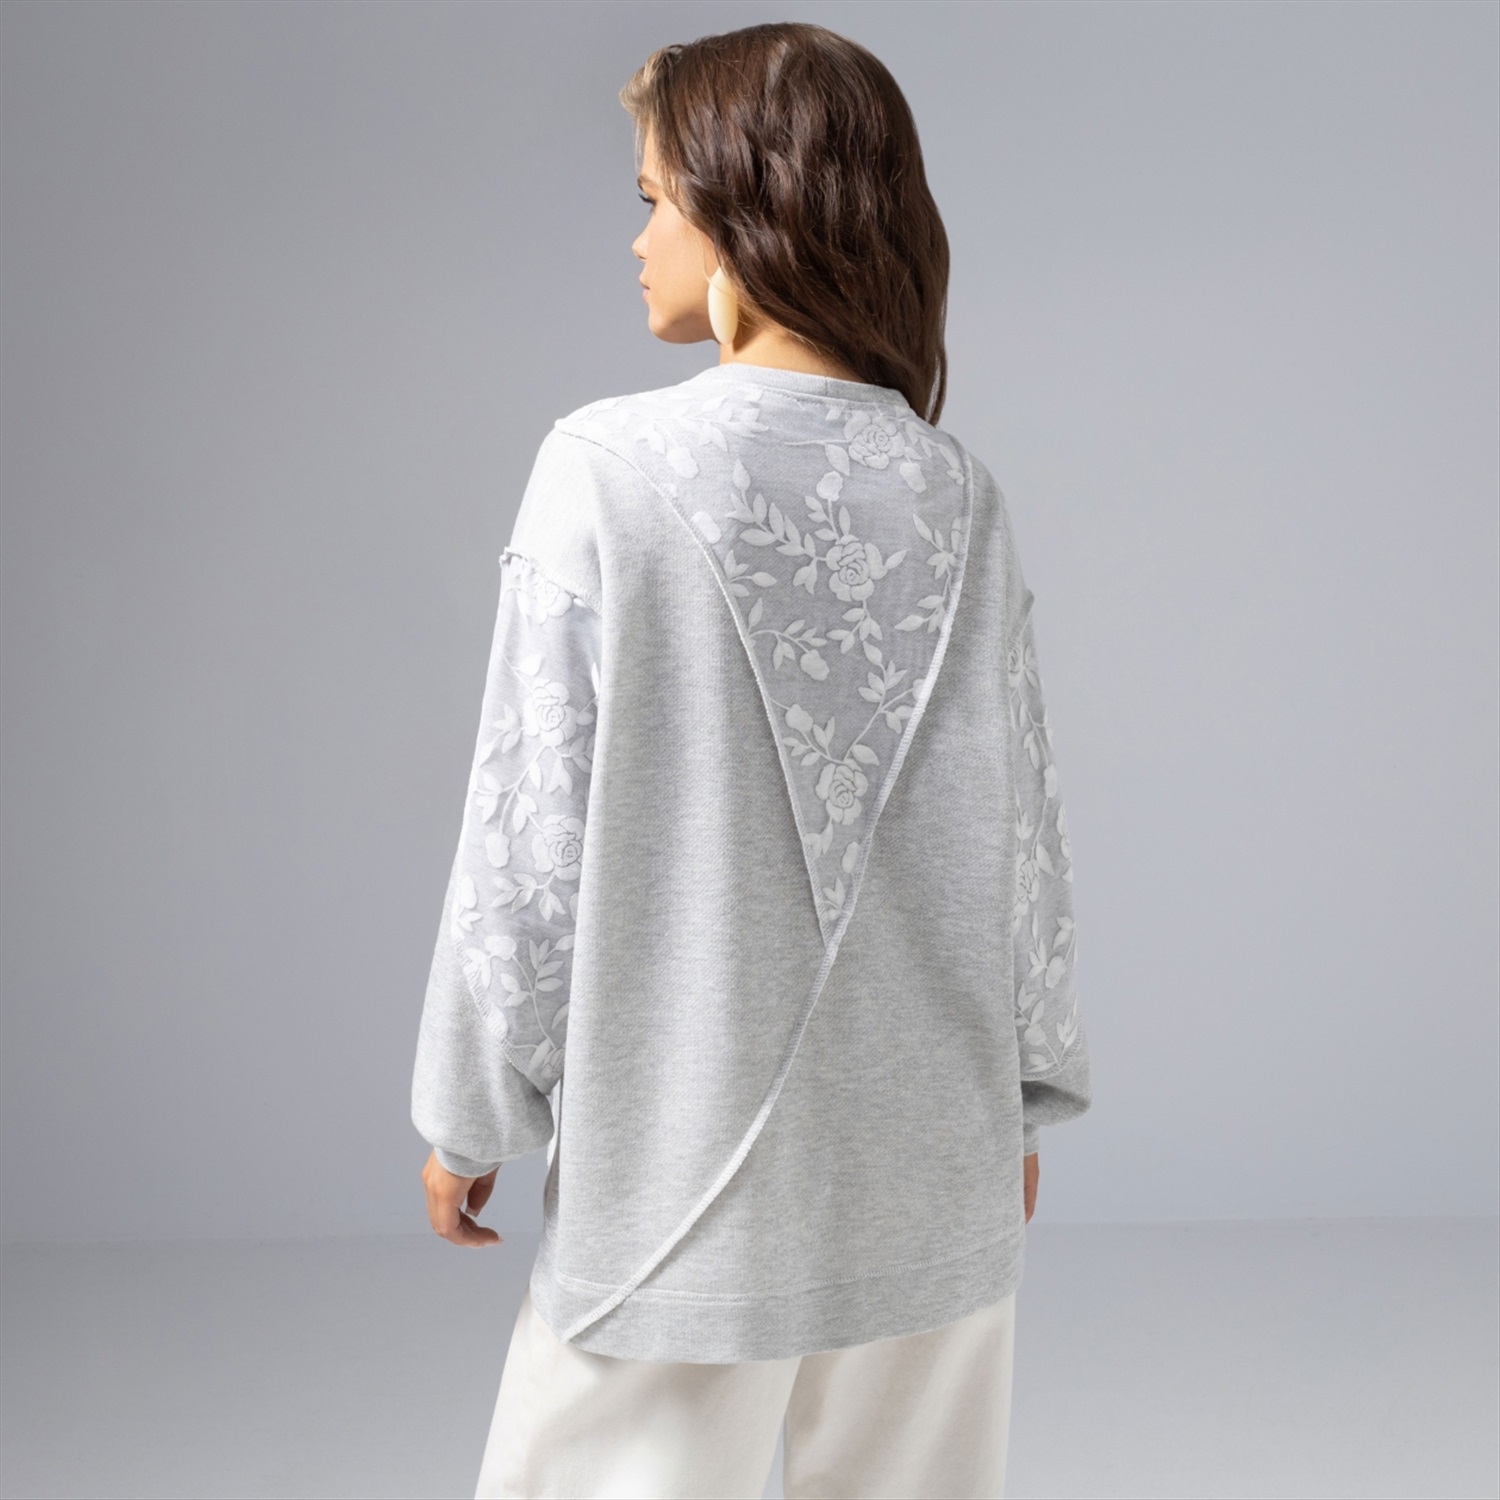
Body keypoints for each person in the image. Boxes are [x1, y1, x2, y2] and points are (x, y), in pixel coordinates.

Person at [410, 21, 1091, 1499]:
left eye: (655, 198)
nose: (637, 238)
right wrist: (1021, 1099)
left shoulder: (605, 469)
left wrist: (471, 1105)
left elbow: (529, 830)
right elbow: (1022, 837)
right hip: (934, 1152)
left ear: (741, 209)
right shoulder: (958, 493)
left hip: (682, 1166)